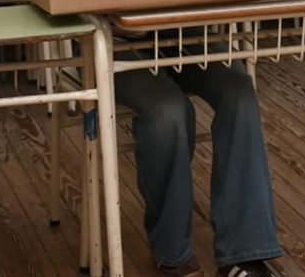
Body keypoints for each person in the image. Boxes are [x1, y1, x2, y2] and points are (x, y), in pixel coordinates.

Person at [114, 33, 283, 277]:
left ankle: (246, 254)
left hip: (186, 30)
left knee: (240, 95)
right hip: (112, 40)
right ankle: (173, 255)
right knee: (168, 113)